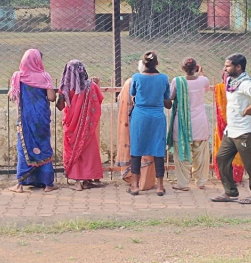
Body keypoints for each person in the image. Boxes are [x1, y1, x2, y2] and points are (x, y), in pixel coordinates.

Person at [211, 53, 251, 204]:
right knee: (221, 159)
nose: (225, 68)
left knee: (250, 164)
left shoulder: (245, 83)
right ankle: (230, 192)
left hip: (245, 131)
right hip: (232, 130)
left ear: (238, 67)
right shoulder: (232, 82)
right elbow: (224, 78)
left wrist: (250, 108)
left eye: (228, 66)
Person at [9, 49, 57, 193]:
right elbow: (51, 98)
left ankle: (20, 184)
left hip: (25, 119)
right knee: (43, 147)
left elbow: (12, 96)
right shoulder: (45, 76)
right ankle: (48, 184)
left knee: (24, 148)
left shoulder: (18, 76)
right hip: (41, 119)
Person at [127, 51, 171, 196]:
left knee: (136, 149)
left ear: (143, 63)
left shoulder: (136, 77)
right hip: (157, 117)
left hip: (140, 116)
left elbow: (132, 93)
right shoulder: (163, 78)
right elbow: (167, 100)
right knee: (158, 150)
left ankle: (134, 185)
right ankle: (159, 186)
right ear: (157, 63)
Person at [56, 60, 104, 191]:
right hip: (87, 128)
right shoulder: (91, 86)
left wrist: (62, 96)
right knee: (88, 150)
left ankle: (78, 182)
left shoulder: (65, 87)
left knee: (74, 150)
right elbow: (98, 101)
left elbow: (60, 107)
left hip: (71, 126)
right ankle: (88, 179)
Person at [167, 57, 211, 191]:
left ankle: (183, 183)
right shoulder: (204, 80)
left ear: (182, 69)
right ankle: (201, 181)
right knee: (201, 153)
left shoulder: (177, 81)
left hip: (182, 123)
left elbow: (171, 97)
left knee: (181, 152)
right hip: (200, 122)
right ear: (196, 68)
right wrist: (201, 73)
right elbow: (206, 87)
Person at [115, 61, 156, 191]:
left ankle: (135, 181)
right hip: (152, 119)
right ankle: (146, 182)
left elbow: (123, 101)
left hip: (134, 120)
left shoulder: (131, 82)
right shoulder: (156, 81)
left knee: (136, 151)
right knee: (148, 149)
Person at [213, 75, 245, 184]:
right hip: (230, 124)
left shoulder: (242, 86)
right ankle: (230, 176)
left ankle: (231, 177)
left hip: (234, 124)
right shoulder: (238, 86)